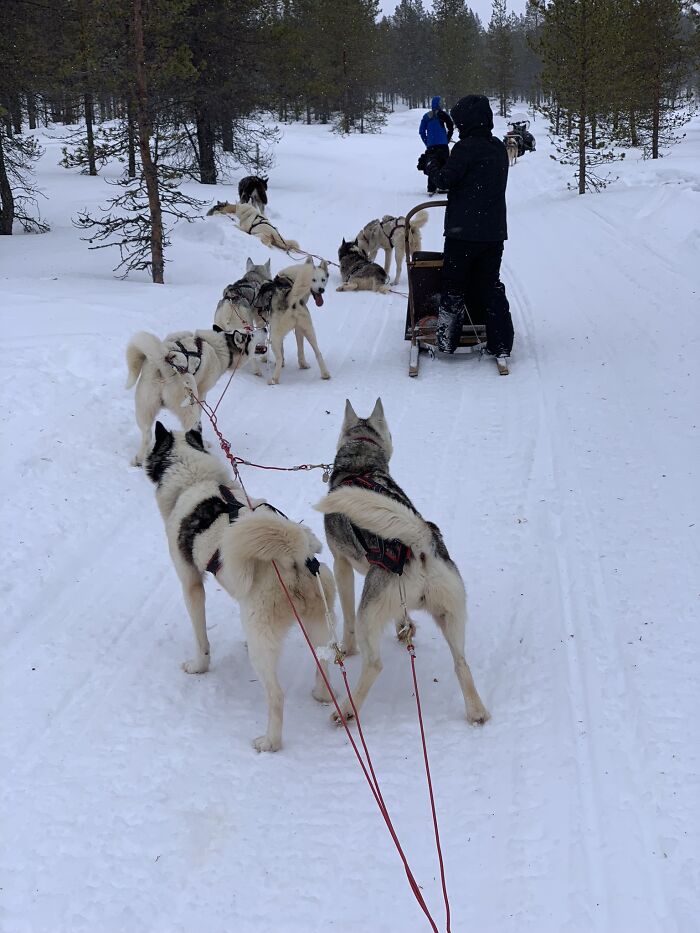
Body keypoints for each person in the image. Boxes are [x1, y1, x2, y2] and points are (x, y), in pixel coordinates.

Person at [427, 94, 514, 360]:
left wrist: (432, 164)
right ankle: (501, 343)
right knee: (490, 285)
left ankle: (447, 341)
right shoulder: (498, 148)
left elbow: (445, 180)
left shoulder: (465, 148)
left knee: (454, 285)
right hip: (493, 233)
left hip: (462, 233)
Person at [419, 96, 454, 195]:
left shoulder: (427, 116)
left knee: (432, 165)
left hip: (431, 146)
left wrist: (427, 142)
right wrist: (447, 138)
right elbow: (451, 126)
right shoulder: (443, 115)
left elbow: (421, 132)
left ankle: (431, 188)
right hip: (443, 145)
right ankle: (443, 186)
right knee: (444, 165)